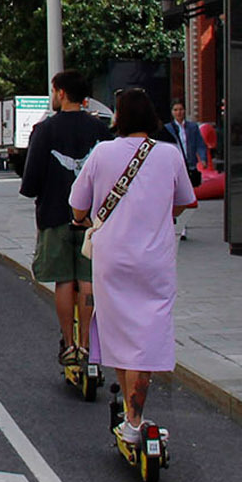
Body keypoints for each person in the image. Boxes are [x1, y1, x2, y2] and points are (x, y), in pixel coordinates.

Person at [70, 88, 198, 446]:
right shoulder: (169, 155)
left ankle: (132, 417)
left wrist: (84, 219)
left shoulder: (103, 153)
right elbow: (187, 201)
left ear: (120, 117)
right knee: (147, 336)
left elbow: (78, 205)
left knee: (121, 335)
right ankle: (136, 416)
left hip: (112, 260)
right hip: (155, 261)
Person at [19, 70, 113, 368]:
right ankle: (87, 344)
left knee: (64, 280)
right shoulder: (100, 130)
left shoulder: (45, 130)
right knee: (88, 281)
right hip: (93, 221)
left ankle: (69, 345)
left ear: (60, 93)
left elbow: (31, 180)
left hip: (56, 215)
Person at [163, 98, 210, 241]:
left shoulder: (192, 127)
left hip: (189, 165)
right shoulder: (168, 128)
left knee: (186, 196)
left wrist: (203, 159)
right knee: (175, 195)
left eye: (181, 109)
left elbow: (200, 144)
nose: (179, 112)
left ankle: (183, 226)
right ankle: (177, 225)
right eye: (176, 110)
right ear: (172, 112)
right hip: (174, 166)